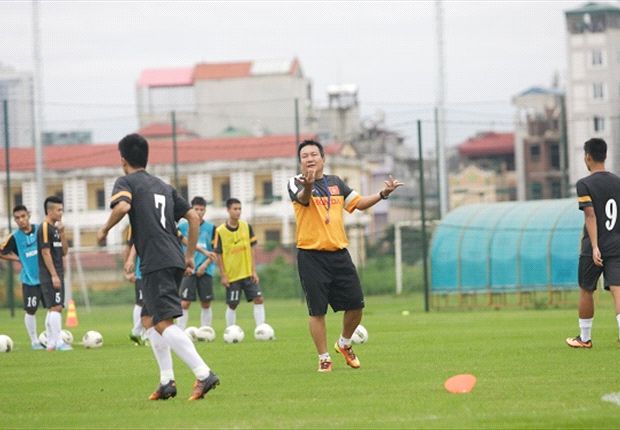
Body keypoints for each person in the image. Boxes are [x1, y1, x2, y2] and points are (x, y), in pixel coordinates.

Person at [97, 133, 219, 401]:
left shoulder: (126, 181)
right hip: (171, 257)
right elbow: (193, 218)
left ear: (123, 159)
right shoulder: (163, 185)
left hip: (156, 260)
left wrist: (104, 229)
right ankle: (167, 382)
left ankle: (203, 373)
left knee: (163, 322)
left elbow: (122, 206)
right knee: (149, 320)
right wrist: (188, 255)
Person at [288, 139, 403, 372]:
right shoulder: (295, 182)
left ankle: (344, 343)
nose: (309, 159)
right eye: (304, 156)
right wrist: (309, 185)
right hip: (311, 255)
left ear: (323, 158)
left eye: (313, 154)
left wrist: (383, 193)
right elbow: (303, 198)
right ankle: (324, 358)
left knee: (356, 305)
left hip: (339, 253)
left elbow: (358, 204)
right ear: (300, 161)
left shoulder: (336, 183)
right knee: (317, 311)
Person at [566, 137, 620, 349]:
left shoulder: (584, 184)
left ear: (587, 157)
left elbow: (590, 215)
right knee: (618, 289)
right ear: (604, 155)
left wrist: (596, 246)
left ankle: (585, 338)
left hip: (593, 246)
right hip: (617, 244)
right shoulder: (618, 182)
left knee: (586, 289)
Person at [213, 198, 266, 330]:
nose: (238, 212)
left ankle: (261, 329)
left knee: (259, 299)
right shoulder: (220, 231)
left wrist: (254, 270)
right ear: (228, 210)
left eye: (239, 209)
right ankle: (230, 330)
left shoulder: (246, 227)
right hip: (232, 276)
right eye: (235, 209)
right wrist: (223, 275)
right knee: (233, 304)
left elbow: (253, 249)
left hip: (248, 273)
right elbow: (218, 254)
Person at [0, 205, 44, 349]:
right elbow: (1, 251)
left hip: (46, 277)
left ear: (29, 215)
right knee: (31, 310)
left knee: (54, 308)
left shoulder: (40, 230)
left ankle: (52, 338)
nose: (21, 220)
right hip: (29, 280)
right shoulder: (14, 237)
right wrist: (18, 259)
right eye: (17, 218)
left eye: (23, 216)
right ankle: (34, 341)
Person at [176, 196, 217, 329]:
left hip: (206, 269)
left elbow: (215, 250)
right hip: (188, 269)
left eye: (202, 209)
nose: (199, 212)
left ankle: (206, 329)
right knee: (185, 302)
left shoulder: (211, 228)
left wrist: (204, 266)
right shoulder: (182, 227)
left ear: (205, 211)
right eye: (196, 209)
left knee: (206, 302)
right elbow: (178, 246)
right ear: (191, 209)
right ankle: (180, 331)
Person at [38, 196, 72, 351]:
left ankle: (51, 344)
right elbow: (45, 252)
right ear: (49, 211)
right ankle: (57, 342)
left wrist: (62, 233)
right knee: (56, 307)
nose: (61, 213)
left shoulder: (55, 230)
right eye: (58, 210)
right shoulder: (45, 227)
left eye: (62, 210)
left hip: (58, 272)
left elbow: (64, 252)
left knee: (54, 307)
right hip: (50, 274)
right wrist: (53, 275)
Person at [123, 226, 146, 346]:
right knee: (142, 302)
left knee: (151, 302)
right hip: (142, 271)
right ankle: (139, 333)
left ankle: (140, 333)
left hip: (157, 268)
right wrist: (128, 270)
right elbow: (129, 247)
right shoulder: (135, 226)